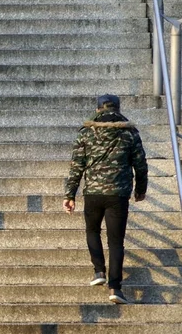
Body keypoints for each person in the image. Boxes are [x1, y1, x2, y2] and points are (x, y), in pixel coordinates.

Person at [63, 94, 148, 304]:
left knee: (92, 231)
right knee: (116, 242)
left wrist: (70, 194)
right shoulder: (129, 132)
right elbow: (140, 163)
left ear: (98, 109)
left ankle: (99, 271)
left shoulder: (86, 132)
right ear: (118, 109)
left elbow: (77, 166)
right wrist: (140, 190)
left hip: (93, 193)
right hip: (118, 194)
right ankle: (115, 289)